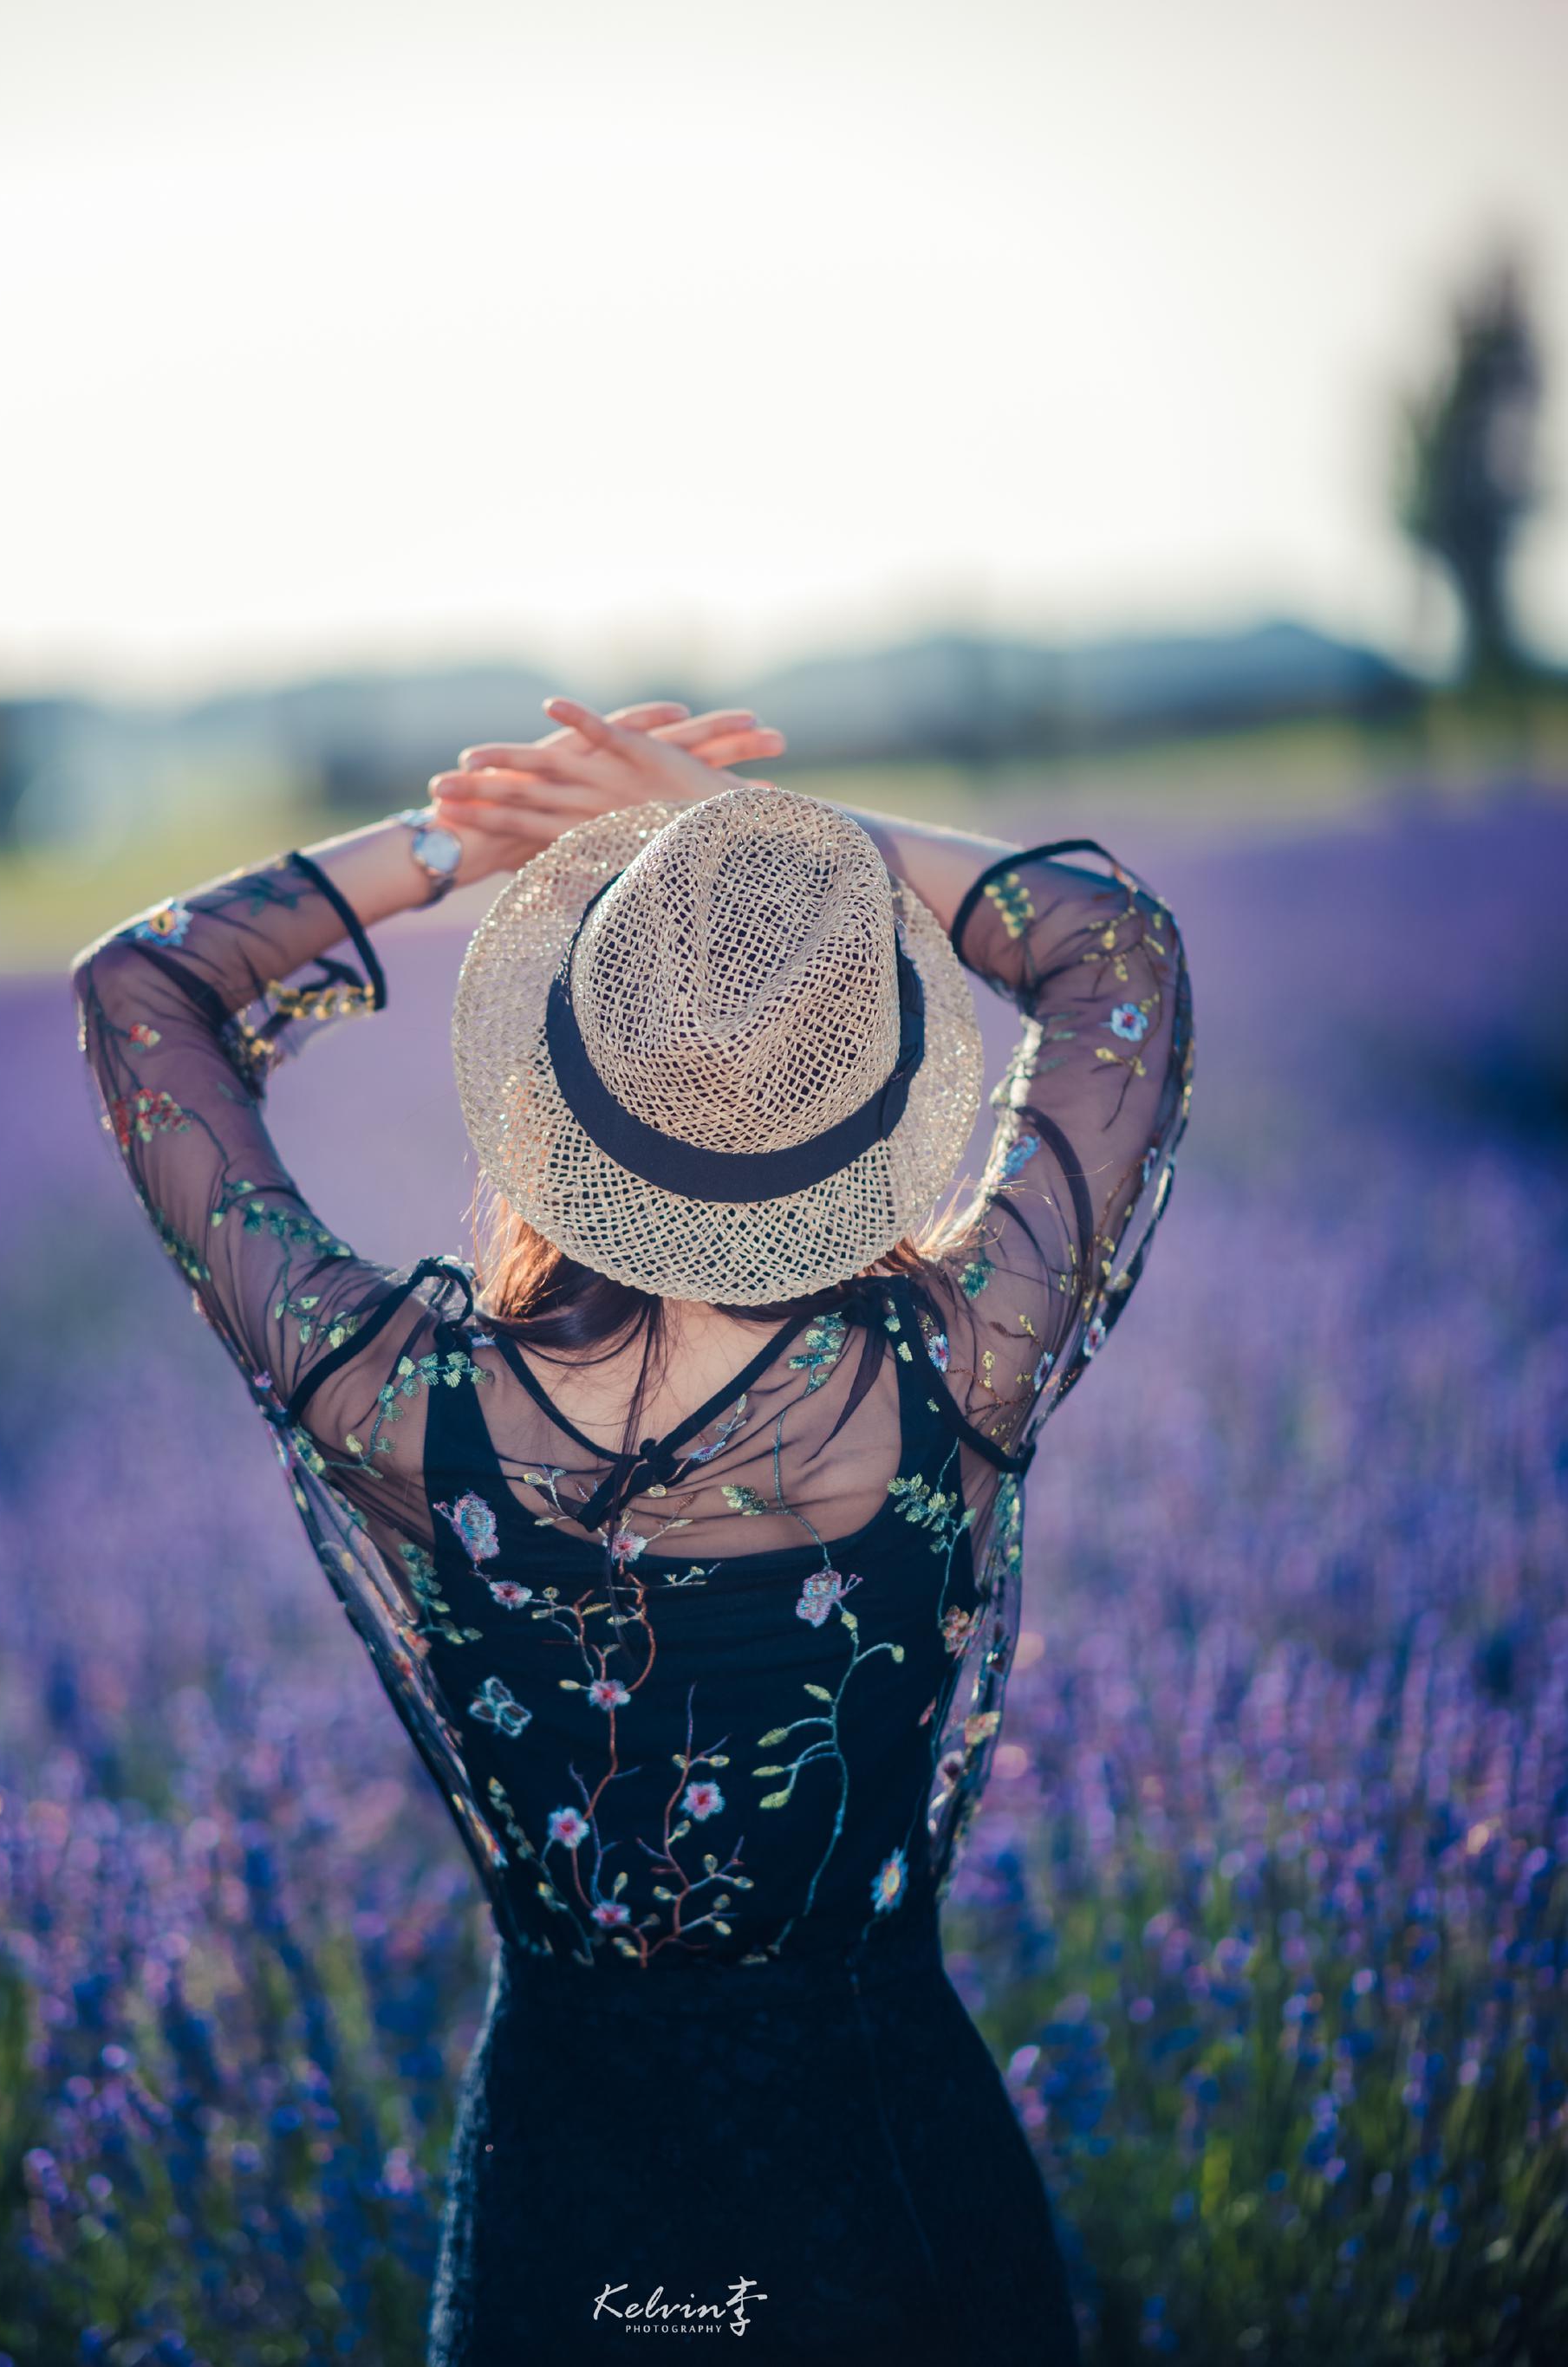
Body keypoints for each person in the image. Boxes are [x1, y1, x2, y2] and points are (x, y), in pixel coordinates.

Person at [71, 694, 1194, 2364]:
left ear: (556, 1099)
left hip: (566, 2216)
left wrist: (456, 842)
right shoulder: (957, 1373)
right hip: (895, 2189)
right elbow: (1116, 953)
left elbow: (140, 995)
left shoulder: (400, 1406)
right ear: (865, 1102)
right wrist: (765, 852)